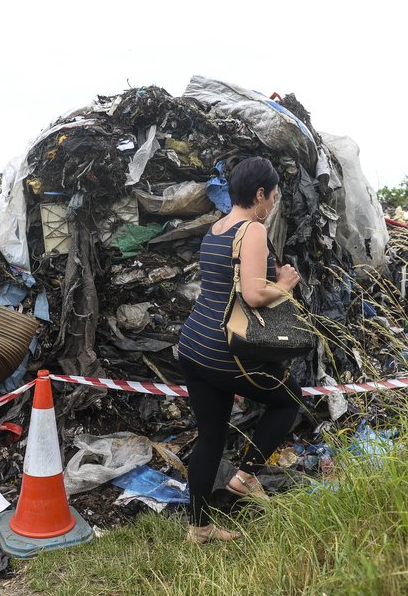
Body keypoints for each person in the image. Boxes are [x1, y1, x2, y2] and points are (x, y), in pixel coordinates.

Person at [177, 156, 303, 544]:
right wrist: (284, 283)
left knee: (210, 436)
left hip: (193, 345)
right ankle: (245, 478)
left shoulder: (216, 228)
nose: (274, 204)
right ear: (260, 194)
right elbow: (252, 293)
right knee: (288, 400)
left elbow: (223, 288)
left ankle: (199, 529)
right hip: (223, 350)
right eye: (274, 196)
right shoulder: (252, 230)